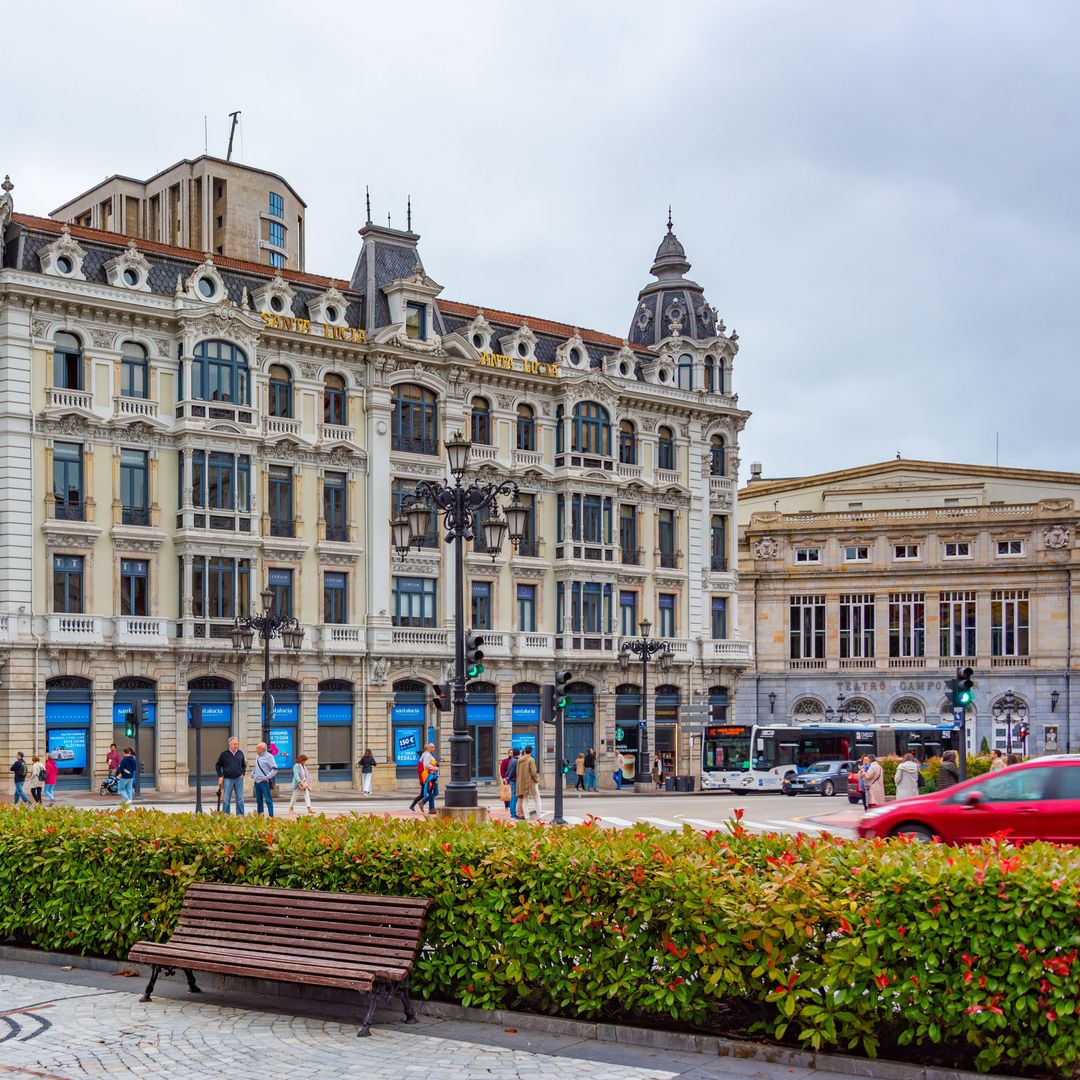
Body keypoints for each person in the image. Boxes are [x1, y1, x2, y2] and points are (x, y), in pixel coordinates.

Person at [215, 737, 247, 815]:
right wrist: (220, 776)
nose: (236, 745)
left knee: (240, 799)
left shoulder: (240, 753)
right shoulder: (224, 754)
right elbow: (218, 765)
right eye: (234, 744)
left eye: (237, 744)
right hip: (228, 779)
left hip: (239, 778)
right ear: (230, 744)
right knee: (226, 799)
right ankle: (226, 815)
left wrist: (243, 773)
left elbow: (244, 765)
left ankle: (240, 816)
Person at [252, 741, 278, 817]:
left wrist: (267, 777)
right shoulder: (257, 756)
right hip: (257, 781)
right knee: (259, 801)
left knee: (268, 800)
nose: (256, 749)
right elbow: (256, 766)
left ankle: (271, 817)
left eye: (257, 748)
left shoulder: (269, 756)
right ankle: (260, 817)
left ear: (263, 749)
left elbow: (275, 769)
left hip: (264, 782)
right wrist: (253, 773)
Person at [516, 745, 540, 820]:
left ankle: (527, 817)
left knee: (525, 800)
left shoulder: (519, 760)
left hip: (521, 782)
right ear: (531, 751)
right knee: (537, 798)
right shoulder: (531, 760)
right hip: (530, 783)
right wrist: (536, 780)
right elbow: (533, 773)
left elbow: (517, 772)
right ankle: (539, 816)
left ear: (525, 751)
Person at [506, 747, 520, 819]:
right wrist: (509, 778)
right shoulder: (516, 761)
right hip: (514, 781)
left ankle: (513, 813)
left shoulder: (511, 760)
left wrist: (507, 777)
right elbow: (512, 772)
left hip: (511, 781)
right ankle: (513, 814)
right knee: (514, 798)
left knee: (513, 798)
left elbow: (508, 771)